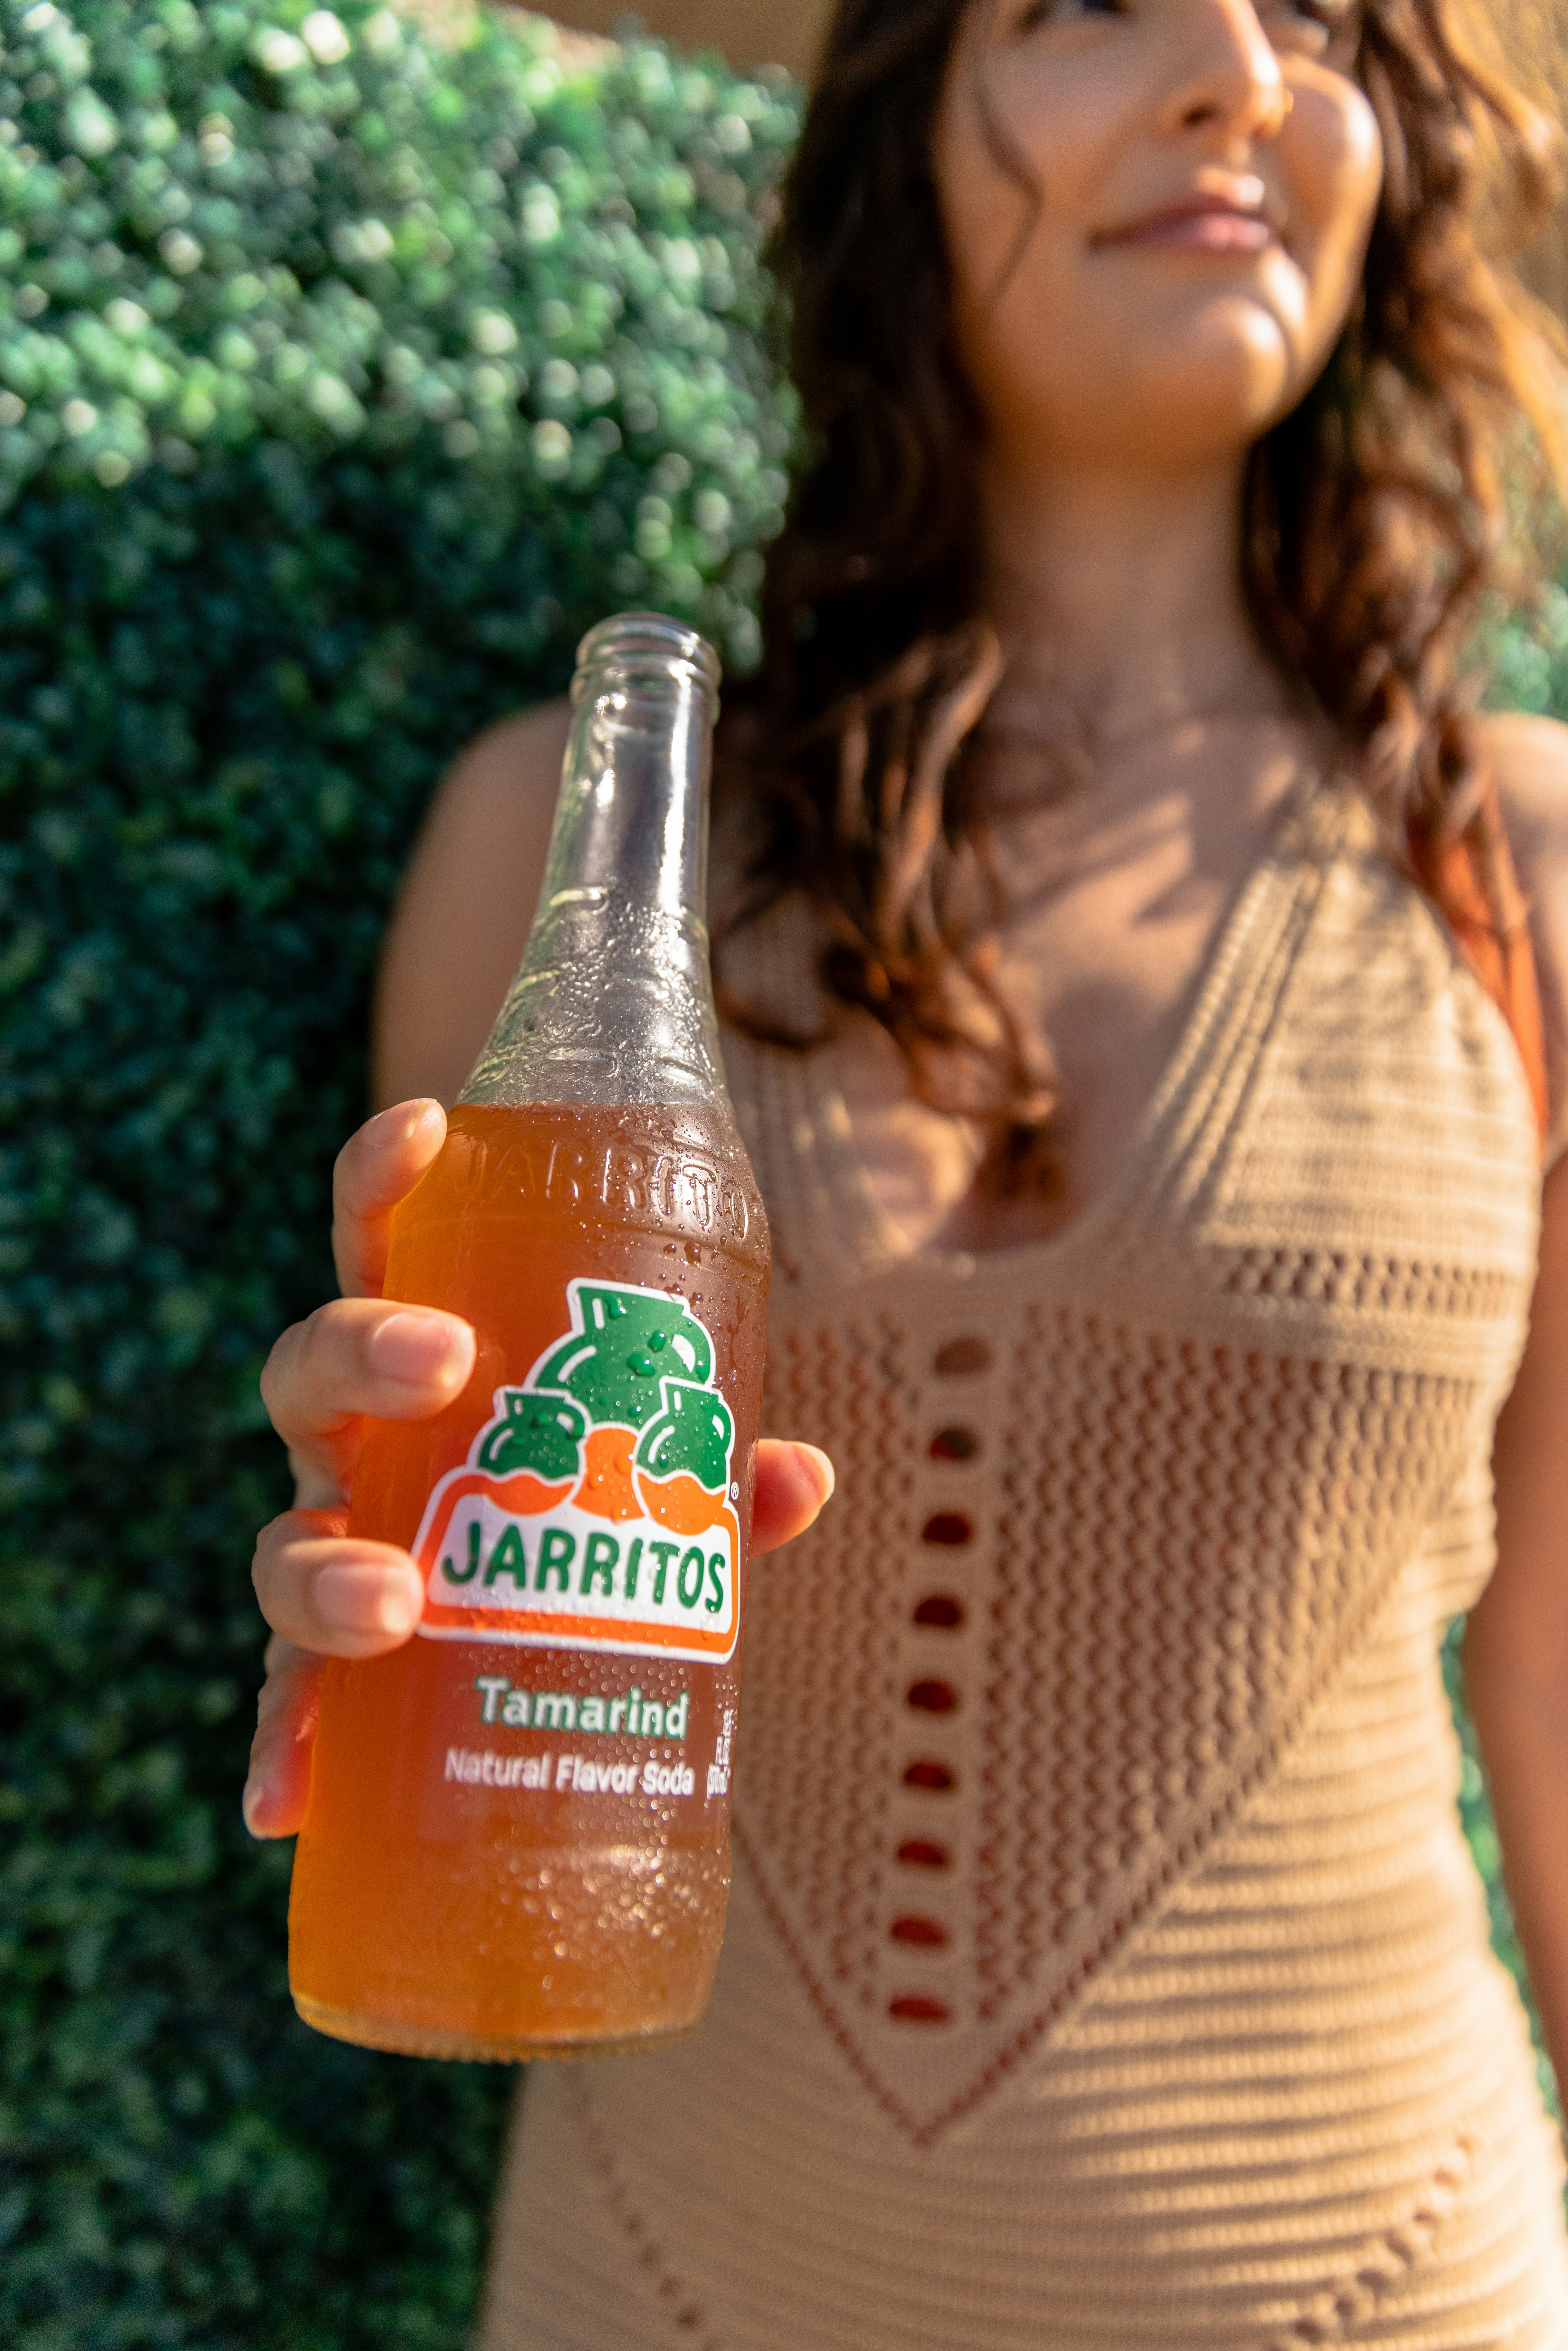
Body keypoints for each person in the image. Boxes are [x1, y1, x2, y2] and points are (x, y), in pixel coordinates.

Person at [246, 0, 1568, 2337]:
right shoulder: (546, 850)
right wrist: (360, 1598)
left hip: (1385, 2282)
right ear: (891, 144)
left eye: (1323, 22)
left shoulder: (1525, 870)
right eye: (1094, 1)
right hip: (647, 2287)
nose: (1236, 74)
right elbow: (454, 1584)